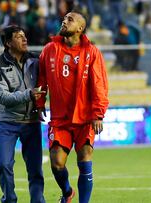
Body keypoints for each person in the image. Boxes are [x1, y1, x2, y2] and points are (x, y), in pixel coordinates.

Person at [36, 10, 109, 203]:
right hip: (60, 119)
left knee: (84, 157)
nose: (65, 20)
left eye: (70, 19)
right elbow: (41, 79)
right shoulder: (49, 49)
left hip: (85, 118)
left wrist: (98, 114)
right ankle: (68, 192)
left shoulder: (92, 52)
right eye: (64, 18)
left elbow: (99, 84)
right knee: (57, 163)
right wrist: (39, 102)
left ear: (80, 28)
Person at [0, 25, 46, 203]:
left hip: (32, 121)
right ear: (8, 43)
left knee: (35, 169)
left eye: (24, 35)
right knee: (4, 164)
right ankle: (9, 199)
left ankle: (38, 201)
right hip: (7, 122)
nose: (24, 39)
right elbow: (3, 97)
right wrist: (29, 94)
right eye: (18, 36)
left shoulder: (36, 60)